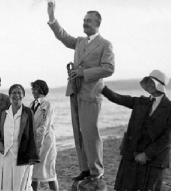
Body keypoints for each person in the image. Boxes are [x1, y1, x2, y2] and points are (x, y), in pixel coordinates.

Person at [47, 2, 115, 180]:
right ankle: (85, 169)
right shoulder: (79, 42)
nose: (84, 23)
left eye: (88, 21)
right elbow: (62, 36)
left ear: (98, 23)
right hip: (75, 92)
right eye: (84, 20)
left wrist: (83, 73)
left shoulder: (105, 44)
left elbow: (109, 68)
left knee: (90, 134)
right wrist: (52, 17)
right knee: (78, 133)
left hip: (91, 94)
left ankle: (97, 171)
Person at [99, 70, 171, 190]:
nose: (149, 85)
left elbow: (167, 138)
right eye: (147, 82)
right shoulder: (140, 101)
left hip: (155, 160)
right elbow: (118, 98)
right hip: (132, 156)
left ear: (160, 85)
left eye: (152, 82)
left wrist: (146, 154)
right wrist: (102, 88)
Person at [0, 84, 40, 191]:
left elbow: (32, 134)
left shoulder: (28, 112)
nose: (16, 95)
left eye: (19, 93)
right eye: (14, 93)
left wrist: (33, 156)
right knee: (4, 185)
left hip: (21, 156)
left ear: (23, 96)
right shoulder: (3, 113)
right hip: (4, 156)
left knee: (22, 186)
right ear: (9, 95)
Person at [30, 80, 59, 191]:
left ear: (41, 89)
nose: (33, 91)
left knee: (50, 173)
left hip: (46, 143)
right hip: (35, 142)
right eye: (32, 89)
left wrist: (33, 137)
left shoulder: (48, 105)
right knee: (34, 174)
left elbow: (45, 126)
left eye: (35, 88)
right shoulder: (31, 104)